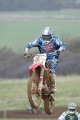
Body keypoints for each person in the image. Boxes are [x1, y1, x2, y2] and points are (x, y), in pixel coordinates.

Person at [24, 27, 66, 93]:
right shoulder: (39, 40)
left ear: (51, 35)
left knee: (51, 70)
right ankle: (35, 81)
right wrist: (26, 51)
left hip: (52, 57)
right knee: (36, 66)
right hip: (42, 57)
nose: (46, 38)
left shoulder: (55, 40)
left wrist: (59, 50)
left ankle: (53, 85)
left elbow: (62, 45)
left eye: (48, 36)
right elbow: (29, 45)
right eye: (44, 36)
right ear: (42, 36)